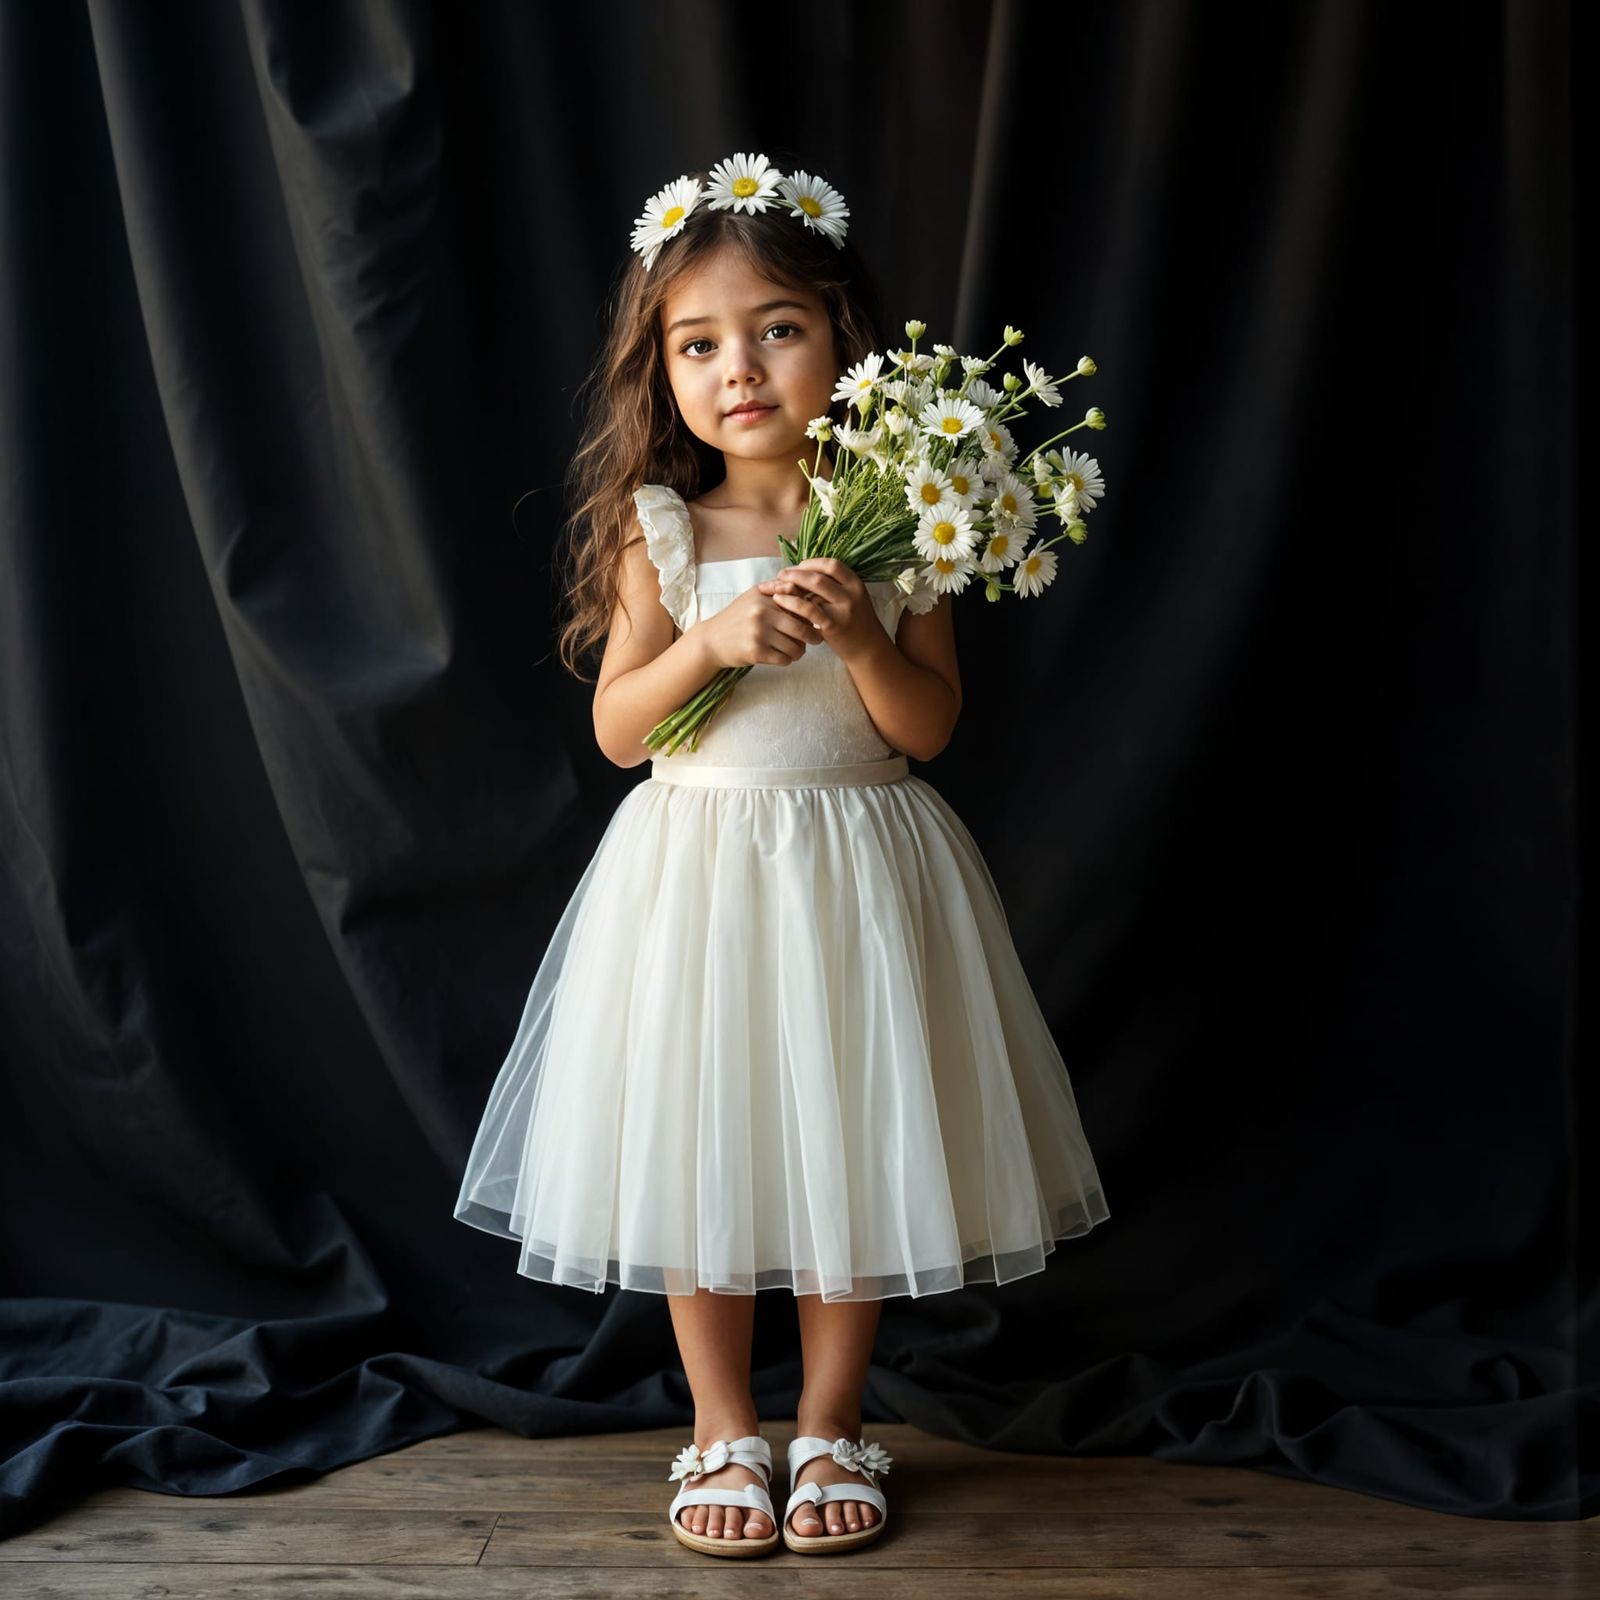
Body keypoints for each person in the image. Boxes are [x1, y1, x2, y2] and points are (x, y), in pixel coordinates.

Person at [454, 150, 1110, 1559]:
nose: (738, 368)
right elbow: (621, 730)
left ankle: (828, 1423)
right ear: (662, 372)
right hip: (700, 878)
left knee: (846, 1146)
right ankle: (719, 1426)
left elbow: (927, 726)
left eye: (777, 329)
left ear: (845, 342)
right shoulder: (662, 531)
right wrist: (708, 641)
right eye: (697, 344)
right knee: (703, 1143)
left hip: (856, 871)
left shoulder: (905, 521)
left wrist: (864, 632)